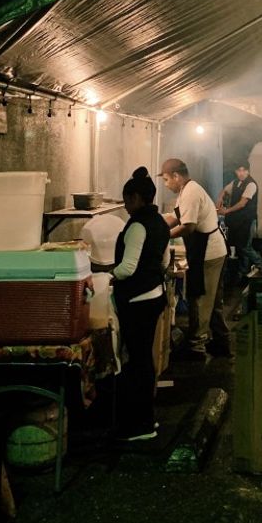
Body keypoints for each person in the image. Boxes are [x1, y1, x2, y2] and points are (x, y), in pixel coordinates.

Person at [111, 167, 171, 442]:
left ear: (136, 198)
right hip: (154, 295)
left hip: (137, 300)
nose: (125, 205)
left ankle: (139, 425)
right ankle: (147, 419)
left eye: (126, 199)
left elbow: (127, 268)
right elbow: (165, 261)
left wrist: (103, 271)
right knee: (143, 359)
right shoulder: (159, 221)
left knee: (137, 362)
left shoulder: (137, 225)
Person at [161, 158, 231, 360]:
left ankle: (196, 348)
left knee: (200, 299)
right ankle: (221, 343)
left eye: (167, 179)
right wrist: (158, 224)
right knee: (213, 302)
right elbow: (176, 217)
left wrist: (164, 236)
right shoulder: (187, 190)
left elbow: (188, 226)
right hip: (213, 251)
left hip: (208, 253)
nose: (166, 184)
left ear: (177, 176)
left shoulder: (190, 192)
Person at [217, 161, 262, 281]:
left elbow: (243, 203)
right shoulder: (236, 182)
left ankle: (260, 265)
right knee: (240, 246)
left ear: (248, 171)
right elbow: (225, 190)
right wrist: (220, 199)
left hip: (247, 220)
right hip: (237, 221)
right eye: (239, 170)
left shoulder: (251, 184)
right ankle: (243, 272)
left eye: (244, 170)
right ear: (236, 172)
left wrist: (227, 211)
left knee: (245, 246)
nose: (241, 173)